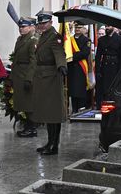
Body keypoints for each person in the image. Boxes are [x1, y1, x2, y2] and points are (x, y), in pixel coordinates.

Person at [33, 10, 67, 155]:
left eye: (44, 23)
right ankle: (49, 142)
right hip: (42, 78)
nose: (42, 25)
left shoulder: (54, 37)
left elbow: (59, 53)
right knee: (48, 113)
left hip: (52, 77)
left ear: (51, 23)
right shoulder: (43, 36)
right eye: (40, 23)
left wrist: (62, 66)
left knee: (53, 114)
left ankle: (54, 145)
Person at [10, 17, 38, 137]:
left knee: (29, 103)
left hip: (26, 74)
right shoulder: (20, 39)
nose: (21, 29)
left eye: (24, 26)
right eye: (20, 27)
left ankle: (32, 128)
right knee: (23, 102)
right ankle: (28, 126)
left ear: (32, 27)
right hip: (19, 74)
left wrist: (29, 78)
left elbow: (33, 61)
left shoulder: (33, 40)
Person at [95, 25, 121, 109]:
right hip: (104, 68)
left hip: (115, 68)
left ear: (114, 27)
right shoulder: (101, 40)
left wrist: (120, 73)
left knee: (113, 89)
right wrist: (97, 70)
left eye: (109, 26)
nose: (107, 28)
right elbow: (98, 57)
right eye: (106, 26)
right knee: (103, 89)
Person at [67, 23, 91, 113]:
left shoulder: (86, 40)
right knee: (72, 90)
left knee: (80, 89)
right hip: (71, 68)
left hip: (81, 67)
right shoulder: (70, 39)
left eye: (80, 27)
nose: (77, 29)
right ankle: (74, 109)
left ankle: (81, 109)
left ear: (83, 29)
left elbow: (85, 53)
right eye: (76, 27)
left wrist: (72, 57)